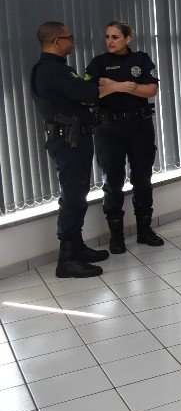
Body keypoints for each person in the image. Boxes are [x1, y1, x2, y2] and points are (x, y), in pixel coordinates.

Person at [31, 22, 112, 278]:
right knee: (73, 197)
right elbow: (88, 93)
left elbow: (83, 95)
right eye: (69, 38)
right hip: (69, 140)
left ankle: (76, 247)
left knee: (77, 194)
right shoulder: (50, 71)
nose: (72, 42)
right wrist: (94, 91)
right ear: (57, 41)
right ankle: (66, 260)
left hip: (73, 138)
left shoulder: (56, 68)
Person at [86, 20, 163, 254]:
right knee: (113, 182)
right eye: (107, 37)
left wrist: (113, 85)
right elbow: (90, 94)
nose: (110, 41)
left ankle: (144, 230)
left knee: (142, 178)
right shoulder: (98, 63)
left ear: (128, 38)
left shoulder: (141, 59)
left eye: (115, 37)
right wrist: (124, 86)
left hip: (139, 126)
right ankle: (116, 236)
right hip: (109, 129)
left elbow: (151, 90)